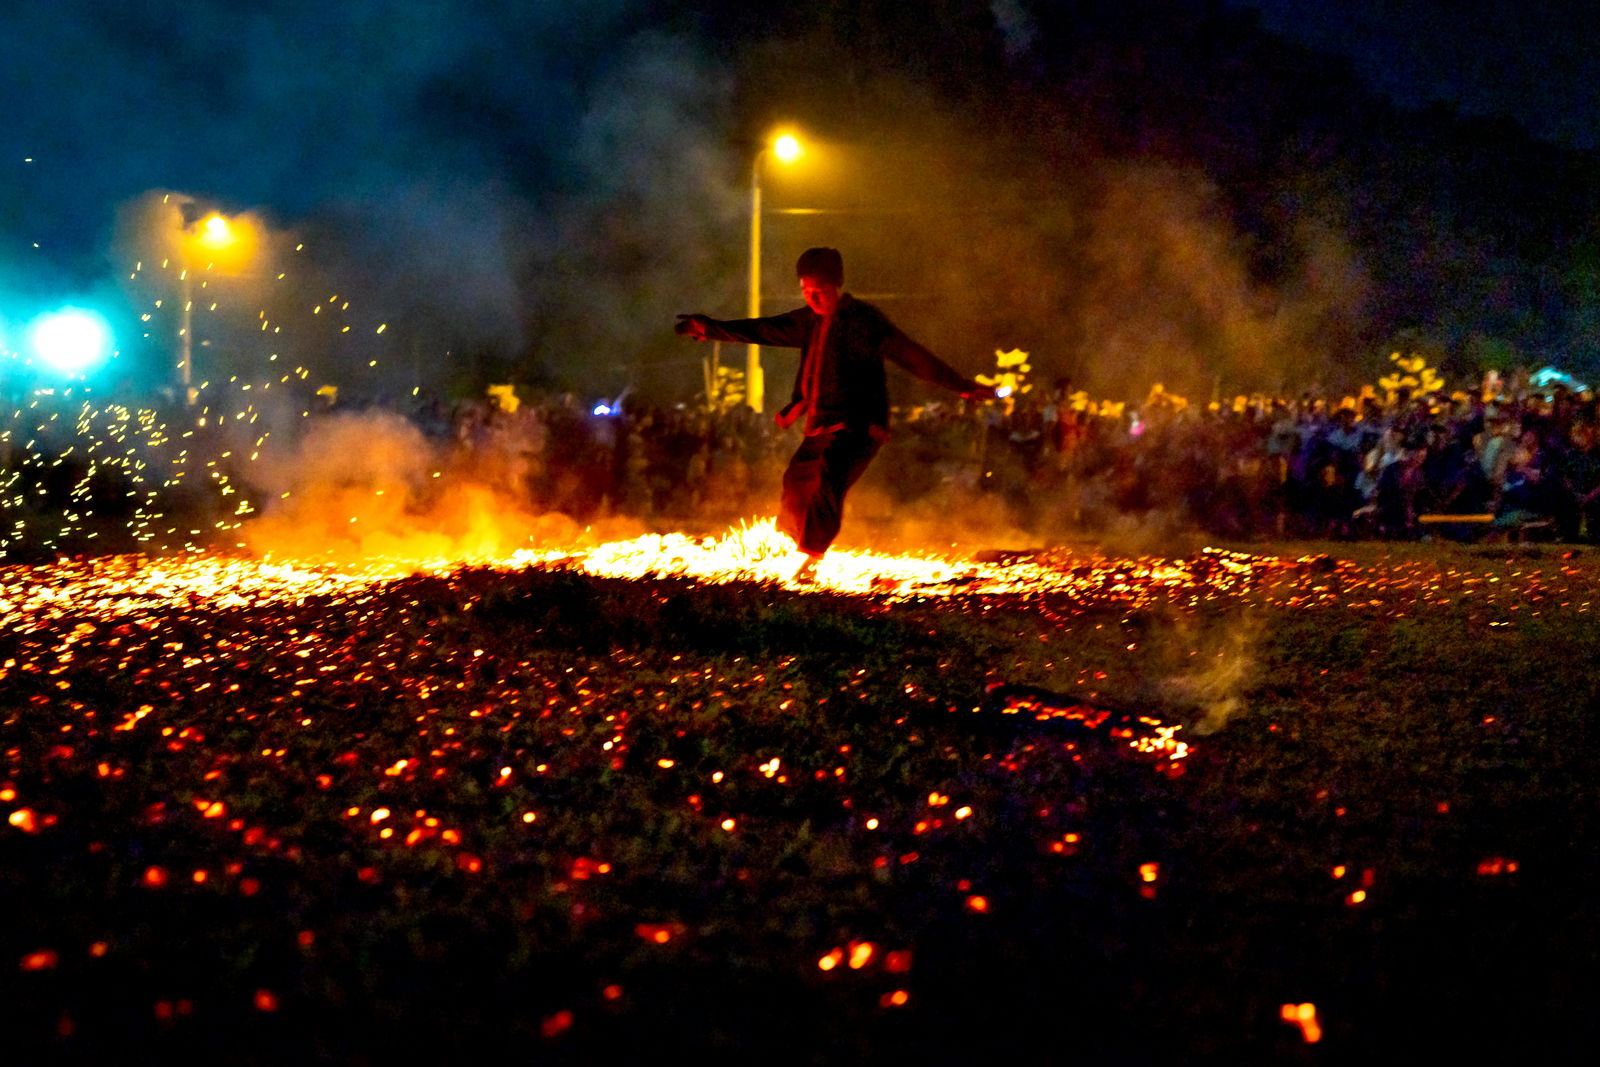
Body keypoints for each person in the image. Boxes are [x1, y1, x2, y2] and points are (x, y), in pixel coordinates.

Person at [676, 247, 998, 581]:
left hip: (860, 423)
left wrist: (960, 385)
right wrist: (710, 328)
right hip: (821, 424)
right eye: (806, 291)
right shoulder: (807, 321)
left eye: (820, 292)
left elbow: (911, 355)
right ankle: (789, 542)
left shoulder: (864, 322)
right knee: (796, 481)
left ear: (837, 287)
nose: (813, 298)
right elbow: (763, 329)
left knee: (829, 478)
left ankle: (811, 556)